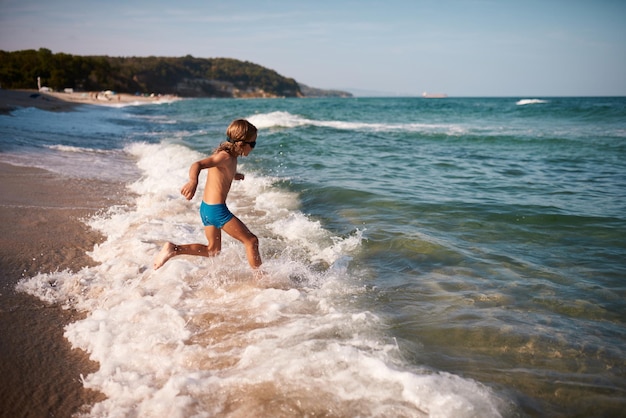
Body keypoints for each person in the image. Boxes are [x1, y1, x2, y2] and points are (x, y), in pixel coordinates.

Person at [153, 119, 262, 272]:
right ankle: (261, 278)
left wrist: (234, 175)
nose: (253, 148)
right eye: (253, 144)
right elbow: (198, 164)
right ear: (241, 143)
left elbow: (222, 172)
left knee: (213, 250)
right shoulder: (224, 156)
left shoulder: (229, 156)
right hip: (217, 211)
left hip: (207, 209)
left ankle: (174, 249)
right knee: (251, 241)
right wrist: (193, 182)